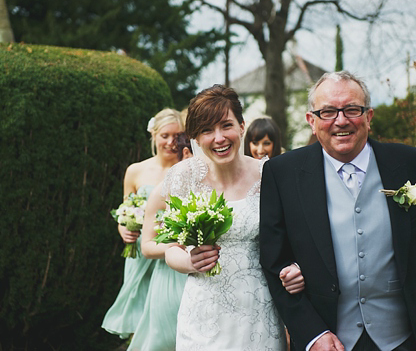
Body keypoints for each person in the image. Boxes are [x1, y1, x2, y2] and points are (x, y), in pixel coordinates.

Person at [259, 71, 416, 351]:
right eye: (327, 112)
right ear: (312, 121)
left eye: (351, 109)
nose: (341, 121)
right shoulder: (282, 173)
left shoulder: (411, 164)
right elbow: (273, 262)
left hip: (400, 338)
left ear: (368, 117)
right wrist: (313, 334)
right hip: (329, 339)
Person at [151, 84, 302, 350]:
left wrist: (297, 269)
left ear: (242, 126)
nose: (219, 138)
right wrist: (189, 260)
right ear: (196, 138)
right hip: (203, 315)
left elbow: (296, 241)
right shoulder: (182, 177)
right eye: (207, 130)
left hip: (259, 312)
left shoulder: (272, 175)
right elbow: (169, 248)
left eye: (226, 125)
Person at [101, 108, 183, 339]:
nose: (170, 142)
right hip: (139, 254)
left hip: (171, 253)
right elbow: (125, 210)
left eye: (177, 136)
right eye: (165, 135)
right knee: (139, 319)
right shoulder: (135, 171)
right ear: (153, 135)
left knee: (168, 320)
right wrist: (123, 229)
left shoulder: (188, 168)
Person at [126, 132, 193, 351]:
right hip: (168, 278)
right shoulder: (162, 191)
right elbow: (147, 246)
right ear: (187, 153)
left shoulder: (215, 187)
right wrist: (179, 245)